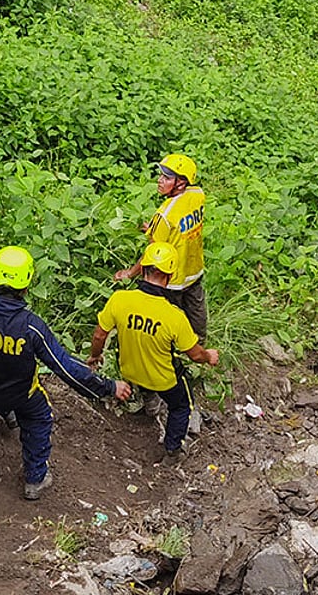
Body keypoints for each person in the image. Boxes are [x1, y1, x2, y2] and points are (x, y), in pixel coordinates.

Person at [0, 246, 132, 500]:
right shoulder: (32, 328)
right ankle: (35, 479)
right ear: (27, 286)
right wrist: (107, 387)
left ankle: (7, 415)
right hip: (18, 396)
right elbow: (66, 369)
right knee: (40, 416)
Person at [90, 242, 219, 465]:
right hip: (163, 380)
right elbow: (195, 355)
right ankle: (172, 451)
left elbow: (100, 335)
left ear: (144, 268)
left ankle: (149, 405)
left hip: (130, 371)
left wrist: (95, 356)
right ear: (169, 277)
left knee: (146, 373)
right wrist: (209, 356)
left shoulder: (120, 299)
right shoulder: (174, 316)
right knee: (181, 406)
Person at [114, 153, 208, 431]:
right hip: (194, 274)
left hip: (175, 281)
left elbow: (151, 255)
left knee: (165, 333)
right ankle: (190, 363)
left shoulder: (163, 216)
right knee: (196, 323)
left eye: (166, 177)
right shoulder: (198, 195)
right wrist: (155, 230)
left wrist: (129, 274)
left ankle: (163, 383)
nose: (160, 180)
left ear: (181, 182)